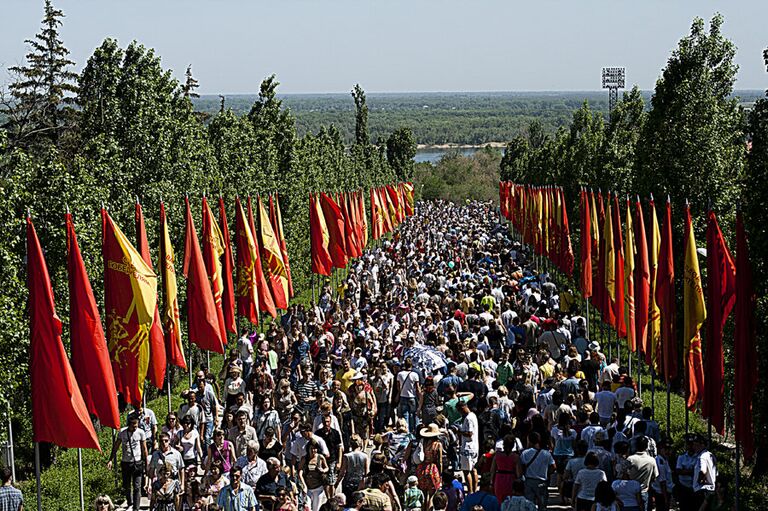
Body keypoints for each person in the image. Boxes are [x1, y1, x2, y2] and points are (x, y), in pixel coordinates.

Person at [107, 413, 148, 511]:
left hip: (137, 462)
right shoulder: (122, 432)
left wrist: (146, 463)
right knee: (127, 485)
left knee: (137, 486)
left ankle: (136, 508)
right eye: (133, 426)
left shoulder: (141, 432)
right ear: (129, 424)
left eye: (136, 425)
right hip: (126, 462)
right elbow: (116, 446)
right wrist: (110, 459)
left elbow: (144, 448)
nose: (135, 428)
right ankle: (130, 502)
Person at [519, 432, 555, 511]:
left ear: (530, 441)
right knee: (542, 504)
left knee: (529, 504)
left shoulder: (525, 453)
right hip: (542, 481)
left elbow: (521, 467)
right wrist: (547, 473)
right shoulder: (546, 453)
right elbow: (553, 467)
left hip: (529, 481)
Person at [626, 436, 658, 510]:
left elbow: (622, 474)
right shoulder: (652, 460)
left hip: (631, 493)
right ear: (647, 446)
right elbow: (654, 477)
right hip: (644, 492)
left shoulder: (630, 459)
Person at [456, 399, 479, 494]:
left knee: (466, 471)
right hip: (474, 446)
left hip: (468, 447)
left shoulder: (469, 418)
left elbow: (469, 433)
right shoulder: (473, 415)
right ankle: (474, 490)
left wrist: (459, 432)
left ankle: (470, 491)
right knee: (473, 469)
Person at [299, 440, 329, 511]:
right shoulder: (305, 458)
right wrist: (304, 485)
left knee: (316, 508)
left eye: (315, 448)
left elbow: (327, 468)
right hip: (308, 488)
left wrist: (323, 470)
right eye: (311, 448)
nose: (313, 450)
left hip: (318, 488)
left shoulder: (320, 457)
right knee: (307, 508)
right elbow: (300, 471)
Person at [490, 434, 520, 504]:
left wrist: (491, 483)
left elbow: (492, 470)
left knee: (499, 500)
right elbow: (519, 474)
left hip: (499, 479)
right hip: (510, 480)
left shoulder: (497, 455)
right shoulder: (515, 457)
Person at [396, 358, 421, 433]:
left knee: (405, 415)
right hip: (412, 397)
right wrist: (420, 398)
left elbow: (398, 386)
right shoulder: (415, 375)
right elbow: (417, 388)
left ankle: (406, 432)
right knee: (413, 415)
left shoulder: (400, 374)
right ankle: (415, 431)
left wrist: (400, 393)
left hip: (403, 396)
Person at [692, 434, 716, 509]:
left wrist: (700, 480)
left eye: (696, 445)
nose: (694, 447)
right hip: (711, 489)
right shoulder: (711, 455)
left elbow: (703, 471)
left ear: (702, 445)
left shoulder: (702, 457)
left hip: (702, 490)